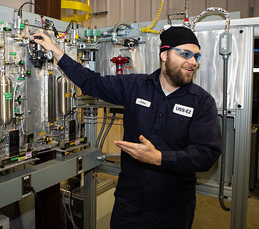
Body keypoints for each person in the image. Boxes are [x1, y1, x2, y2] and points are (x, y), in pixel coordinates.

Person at [33, 26, 222, 229]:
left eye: (196, 56)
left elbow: (207, 153)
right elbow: (91, 82)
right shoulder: (136, 86)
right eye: (185, 54)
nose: (193, 62)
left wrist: (159, 158)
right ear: (165, 55)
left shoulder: (201, 102)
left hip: (173, 208)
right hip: (130, 203)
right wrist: (56, 50)